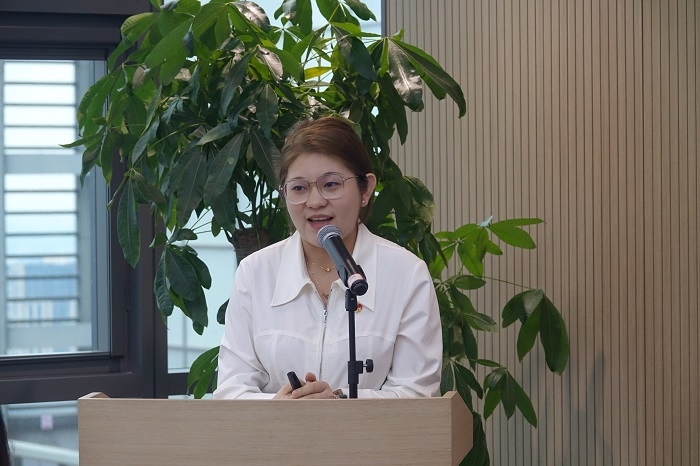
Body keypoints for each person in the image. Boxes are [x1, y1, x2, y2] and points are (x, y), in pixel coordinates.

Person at [213, 116, 442, 400]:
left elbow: (417, 394)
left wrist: (338, 402)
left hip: (368, 433)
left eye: (331, 184)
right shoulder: (255, 272)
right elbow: (231, 391)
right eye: (299, 188)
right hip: (277, 430)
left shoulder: (406, 274)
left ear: (366, 189)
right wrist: (280, 407)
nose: (315, 201)